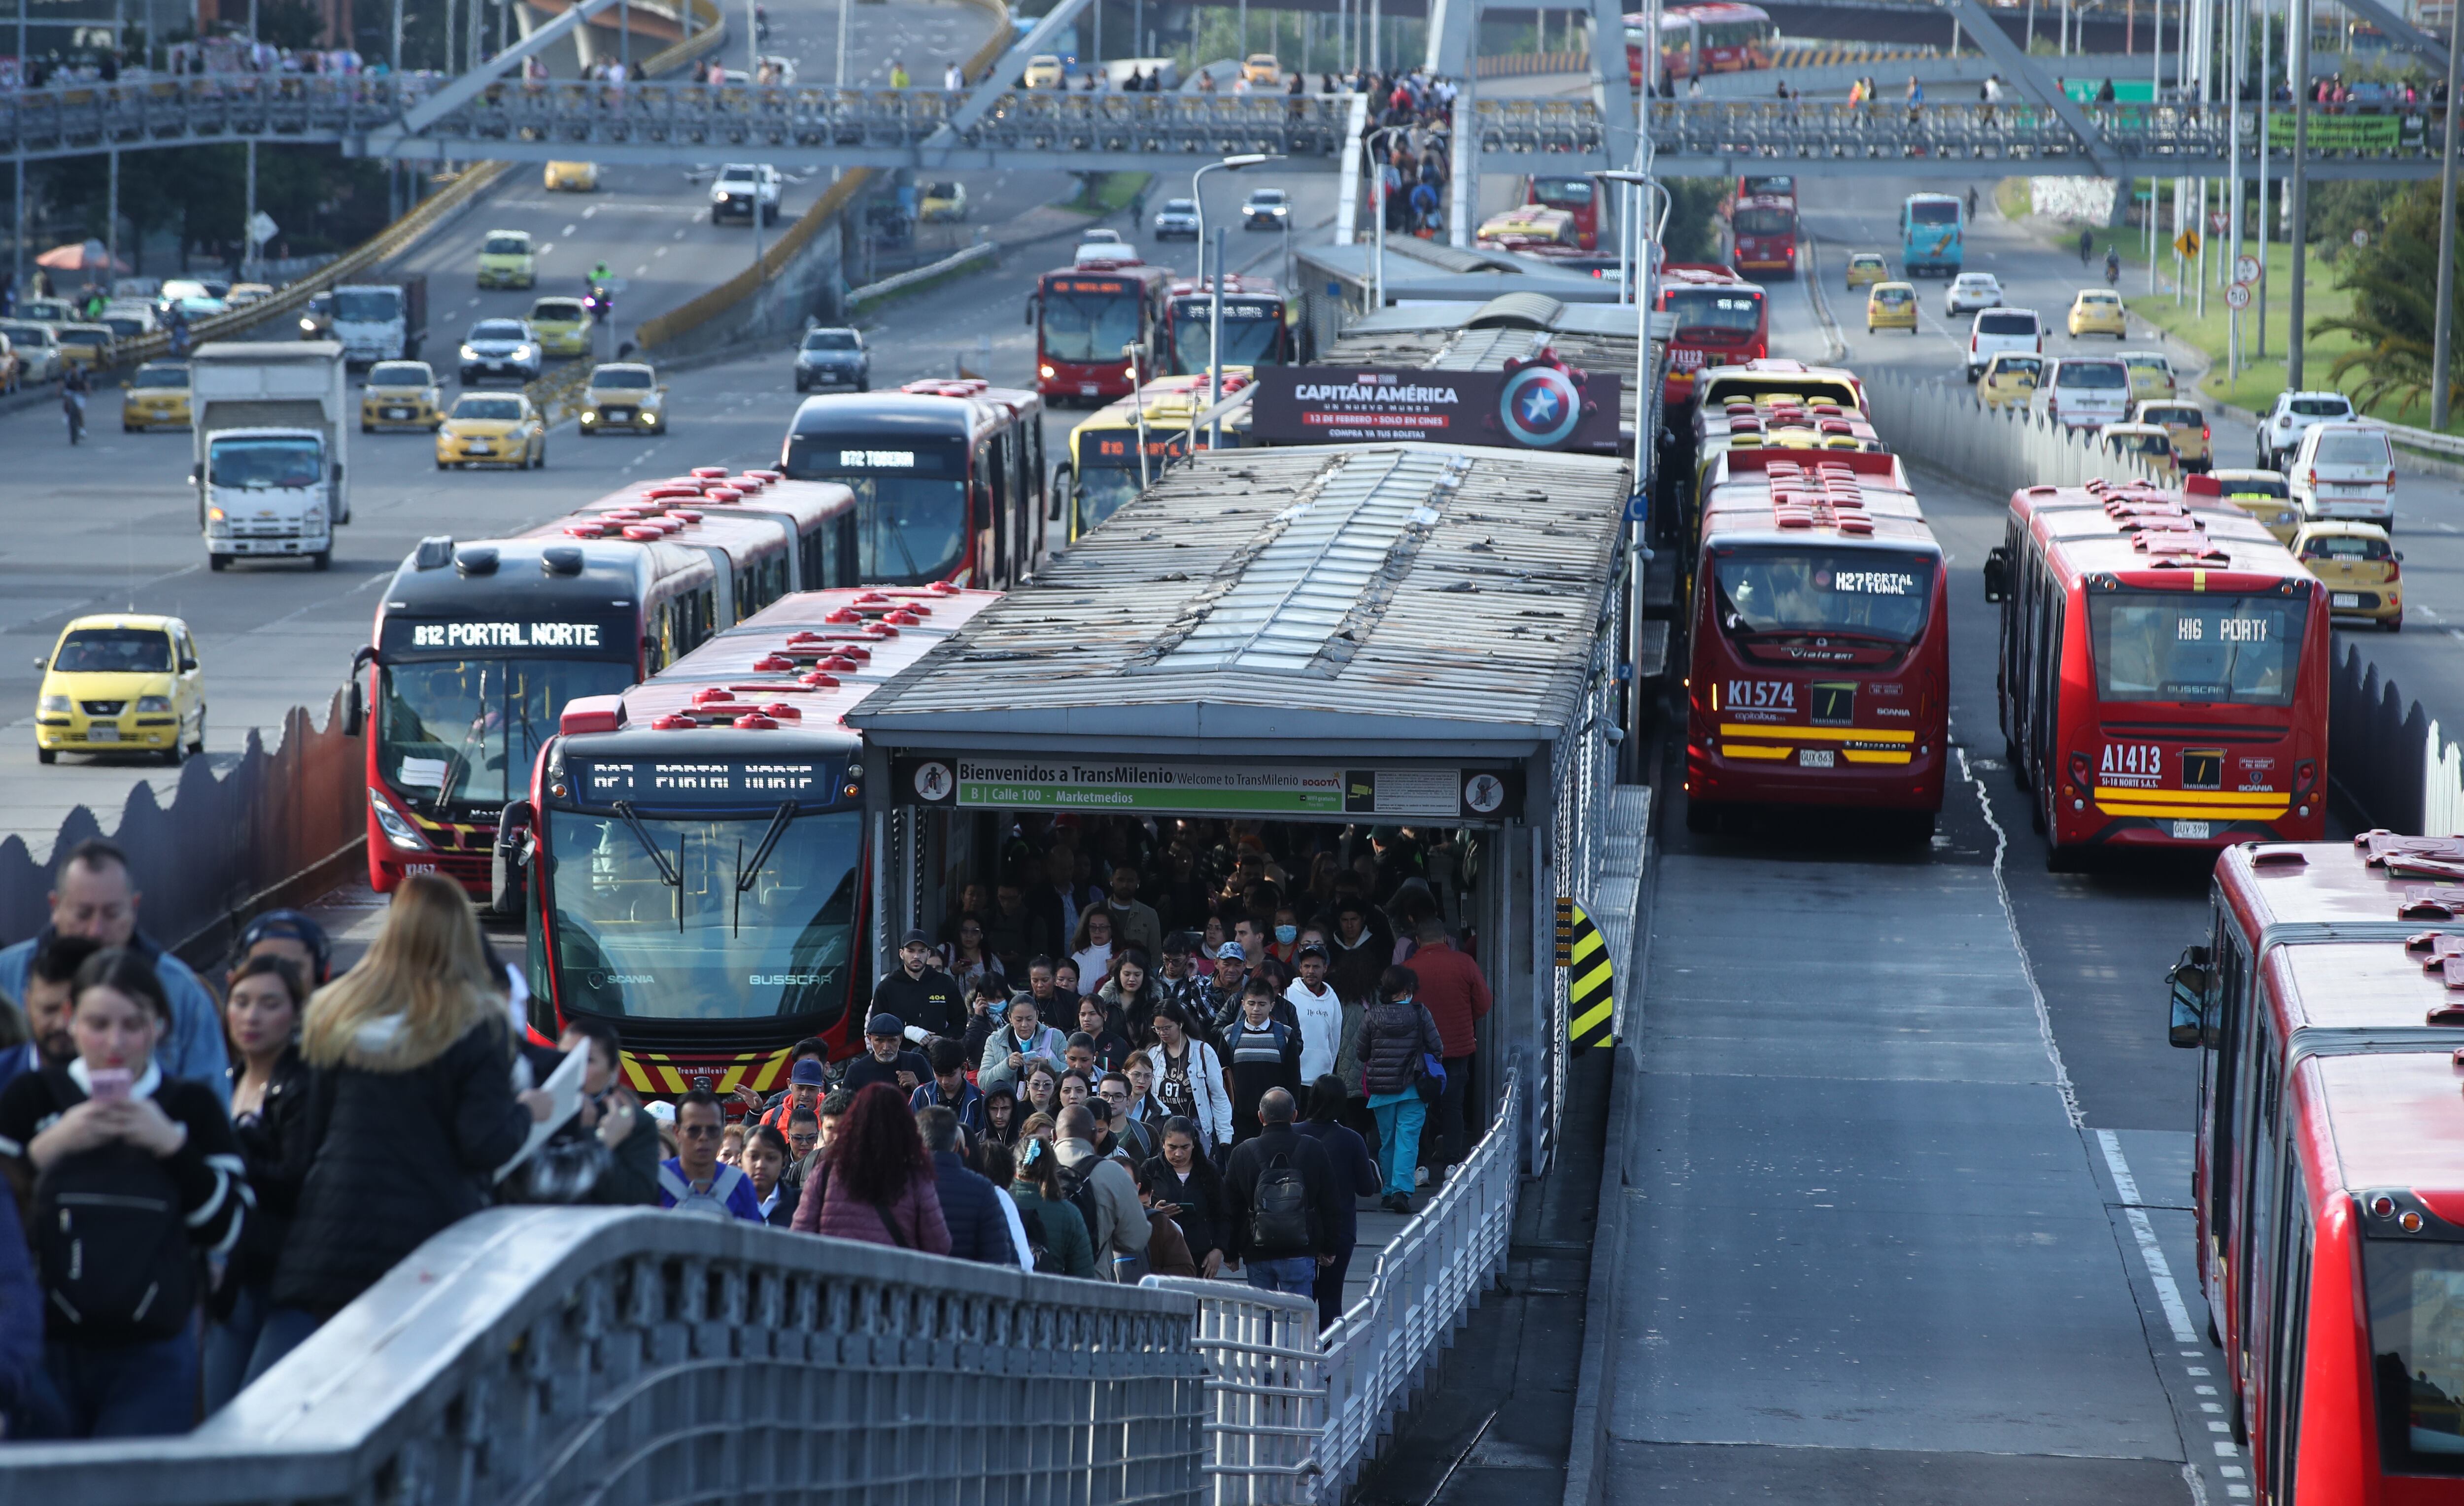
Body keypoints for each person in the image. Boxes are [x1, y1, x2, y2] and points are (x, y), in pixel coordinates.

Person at [250, 875, 550, 1383]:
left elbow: (307, 1146)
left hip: (329, 1243)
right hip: (429, 1246)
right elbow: (485, 1142)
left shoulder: (335, 1013)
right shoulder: (477, 1021)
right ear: (459, 936)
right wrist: (528, 1110)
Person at [0, 949, 245, 1437]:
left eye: (133, 1025)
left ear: (159, 1025)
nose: (114, 1042)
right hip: (45, 1345)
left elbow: (230, 1227)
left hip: (153, 1348)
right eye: (97, 1023)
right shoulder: (31, 1096)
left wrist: (172, 1146)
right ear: (70, 1021)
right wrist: (45, 1150)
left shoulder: (189, 1106)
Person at [0, 840, 229, 1104]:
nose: (96, 930)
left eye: (112, 914)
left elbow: (213, 1110)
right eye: (83, 914)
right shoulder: (7, 976)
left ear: (134, 907)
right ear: (55, 907)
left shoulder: (184, 994)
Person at [205, 955, 310, 1411]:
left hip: (288, 1276)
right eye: (242, 1002)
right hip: (232, 1277)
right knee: (217, 1412)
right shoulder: (228, 1080)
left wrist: (230, 1151)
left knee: (261, 1414)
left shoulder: (303, 1085)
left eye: (270, 1004)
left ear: (295, 1014)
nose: (251, 1016)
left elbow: (296, 1180)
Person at [1222, 1088, 1343, 1298]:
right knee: (1297, 1321)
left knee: (1261, 1318)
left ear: (1261, 1117)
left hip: (1257, 1249)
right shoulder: (1314, 1149)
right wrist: (1329, 1247)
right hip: (1301, 1248)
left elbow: (1232, 1206)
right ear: (1295, 1116)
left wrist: (1231, 1252)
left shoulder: (1242, 1152)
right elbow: (1330, 1202)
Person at [1402, 914, 1490, 1183]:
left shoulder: (1407, 969)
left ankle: (1420, 1168)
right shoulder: (1465, 963)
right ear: (1444, 939)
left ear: (1418, 941)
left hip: (1419, 1053)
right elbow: (1484, 1003)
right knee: (1454, 1107)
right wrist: (1465, 1020)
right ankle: (1453, 1164)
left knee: (1419, 1108)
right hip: (1457, 1048)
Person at [809, 1083, 950, 1251]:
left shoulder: (824, 1173)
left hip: (836, 1275)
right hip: (896, 1275)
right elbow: (939, 1246)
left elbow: (801, 1237)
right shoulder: (917, 1178)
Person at [1356, 965, 1443, 1214]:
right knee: (1408, 1141)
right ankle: (1401, 1192)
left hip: (1381, 1090)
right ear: (1407, 990)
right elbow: (1437, 1047)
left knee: (1388, 1142)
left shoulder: (1372, 1015)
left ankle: (1388, 1191)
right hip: (1413, 1089)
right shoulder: (1420, 1013)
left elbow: (1361, 1052)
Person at [1294, 1076, 1379, 1330]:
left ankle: (1299, 1354)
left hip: (1299, 1228)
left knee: (1301, 1296)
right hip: (1340, 1228)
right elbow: (1367, 1189)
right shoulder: (1352, 1140)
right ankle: (1329, 1361)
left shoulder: (1294, 1133)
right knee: (1332, 1297)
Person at [555, 1016, 657, 1204]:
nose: (573, 1066)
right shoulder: (539, 1112)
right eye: (566, 1056)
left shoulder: (635, 1123)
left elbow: (637, 1198)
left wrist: (593, 1138)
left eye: (588, 1060)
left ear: (614, 1070)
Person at [917, 1105, 1016, 1265]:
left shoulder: (903, 1187)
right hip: (970, 1287)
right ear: (957, 1146)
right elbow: (1000, 1258)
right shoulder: (983, 1190)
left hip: (911, 1287)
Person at [0, 933, 96, 1092]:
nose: (61, 1024)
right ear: (27, 1003)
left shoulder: (133, 1082)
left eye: (74, 1012)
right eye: (48, 1010)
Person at [1141, 1115, 1228, 1278]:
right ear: (1163, 1145)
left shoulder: (1209, 1171)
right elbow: (1135, 1207)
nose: (1178, 1154)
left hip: (1200, 1254)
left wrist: (1218, 1250)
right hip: (1160, 1254)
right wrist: (1154, 1212)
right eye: (1172, 1147)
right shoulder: (1151, 1168)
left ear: (1194, 1145)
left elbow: (1223, 1214)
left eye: (1185, 1147)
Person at [1221, 980, 1302, 1147]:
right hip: (1239, 1118)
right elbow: (1220, 1076)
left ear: (1272, 1005)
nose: (1256, 1009)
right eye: (1251, 1003)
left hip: (1276, 1117)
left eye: (1262, 1004)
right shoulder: (1229, 1034)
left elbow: (1293, 1077)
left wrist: (1291, 1113)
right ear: (1243, 1004)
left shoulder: (1286, 1035)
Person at [661, 1089, 763, 1221]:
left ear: (722, 1132)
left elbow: (753, 1239)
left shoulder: (741, 1184)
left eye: (712, 1130)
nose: (703, 1137)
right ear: (677, 1132)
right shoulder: (655, 1181)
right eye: (694, 1130)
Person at [1144, 1001, 1231, 1153]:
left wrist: (1225, 1136)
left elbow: (1219, 1095)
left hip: (1196, 1127)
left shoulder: (1203, 1052)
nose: (1162, 1033)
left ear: (1181, 1024)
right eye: (1157, 1029)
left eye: (1167, 1028)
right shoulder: (1153, 1054)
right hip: (1163, 1127)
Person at [1009, 1136, 1095, 1276]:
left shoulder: (998, 1202)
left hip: (1000, 1294)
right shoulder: (1069, 1213)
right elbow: (1084, 1278)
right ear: (1053, 1167)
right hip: (1050, 1294)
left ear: (1015, 1167)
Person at [872, 930, 962, 1041]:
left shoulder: (945, 983)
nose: (916, 956)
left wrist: (944, 1039)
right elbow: (876, 1027)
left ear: (928, 954)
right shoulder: (887, 987)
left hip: (936, 1055)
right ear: (902, 953)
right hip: (900, 1055)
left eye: (922, 951)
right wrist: (906, 1032)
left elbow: (960, 1021)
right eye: (911, 951)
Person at [978, 991, 1067, 1095]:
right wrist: (1007, 1066)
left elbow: (1069, 1073)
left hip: (1048, 1103)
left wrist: (1047, 1065)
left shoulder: (1056, 1036)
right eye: (1019, 1020)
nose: (1024, 1025)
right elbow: (983, 1082)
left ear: (1037, 1015)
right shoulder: (995, 1041)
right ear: (1010, 1018)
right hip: (1009, 1105)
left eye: (1029, 1019)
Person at [1284, 944, 1342, 1086]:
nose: (1311, 971)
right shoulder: (1288, 994)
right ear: (1300, 968)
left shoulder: (1333, 999)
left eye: (1316, 967)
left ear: (1325, 968)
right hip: (1293, 1077)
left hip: (1322, 1080)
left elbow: (1335, 1041)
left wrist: (1328, 1070)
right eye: (1307, 966)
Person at [908, 1037, 985, 1132]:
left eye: (950, 1075)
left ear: (963, 1068)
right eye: (939, 1075)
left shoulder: (980, 1099)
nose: (945, 1082)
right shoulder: (921, 1095)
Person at [842, 1014, 931, 1095]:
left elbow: (934, 1102)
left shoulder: (916, 1062)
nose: (886, 1048)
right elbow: (844, 1109)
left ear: (900, 1039)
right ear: (870, 1039)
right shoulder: (855, 1071)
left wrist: (918, 1087)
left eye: (892, 1040)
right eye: (879, 1040)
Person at [1102, 865, 1166, 962]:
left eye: (1130, 881)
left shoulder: (1150, 914)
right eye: (1120, 880)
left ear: (1138, 883)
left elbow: (1156, 955)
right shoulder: (1095, 910)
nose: (1125, 885)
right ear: (1111, 880)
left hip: (1137, 974)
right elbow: (1079, 945)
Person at [744, 1124, 799, 1226]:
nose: (761, 1165)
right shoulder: (726, 1202)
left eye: (771, 1158)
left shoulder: (800, 1204)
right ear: (740, 1159)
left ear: (784, 1162)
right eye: (754, 1157)